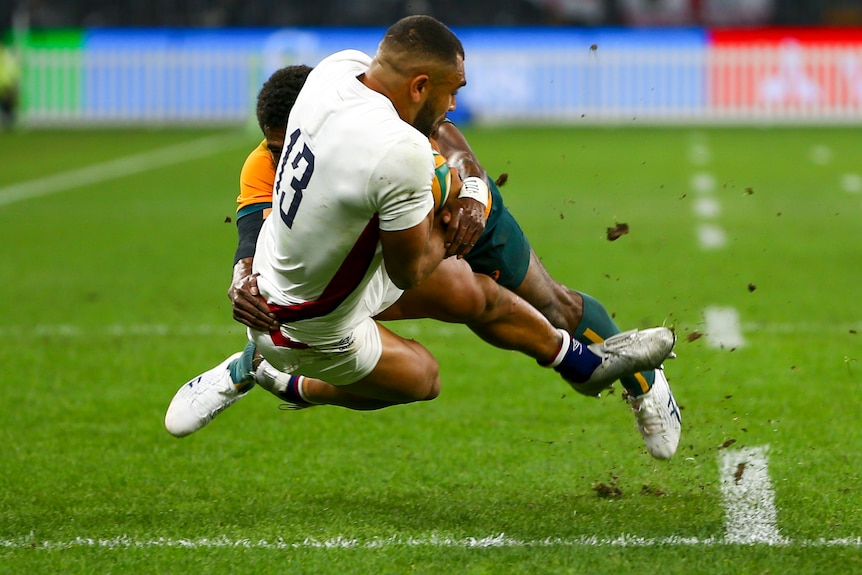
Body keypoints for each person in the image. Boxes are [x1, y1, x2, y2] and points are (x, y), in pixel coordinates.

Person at [166, 16, 680, 458]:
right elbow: (270, 232)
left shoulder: (352, 90)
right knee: (452, 321)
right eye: (450, 92)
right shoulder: (342, 136)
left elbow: (444, 135)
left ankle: (642, 383)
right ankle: (270, 371)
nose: (454, 103)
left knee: (554, 305)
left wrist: (475, 194)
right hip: (393, 247)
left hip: (456, 211)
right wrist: (243, 275)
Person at [0, 45, 20, 130]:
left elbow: (13, 69)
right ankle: (8, 122)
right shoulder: (8, 56)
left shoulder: (6, 57)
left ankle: (8, 123)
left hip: (6, 83)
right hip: (7, 83)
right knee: (7, 104)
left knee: (7, 105)